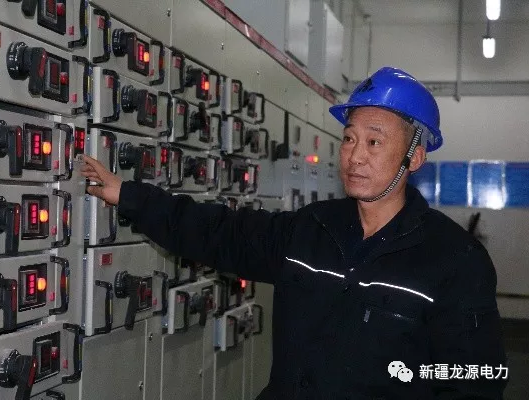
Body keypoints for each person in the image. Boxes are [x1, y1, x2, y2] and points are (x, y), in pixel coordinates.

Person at [80, 67, 508, 399]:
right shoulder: (312, 228)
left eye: (374, 143)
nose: (355, 156)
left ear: (414, 157)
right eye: (349, 139)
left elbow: (473, 382)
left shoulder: (454, 261)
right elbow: (220, 232)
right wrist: (129, 196)